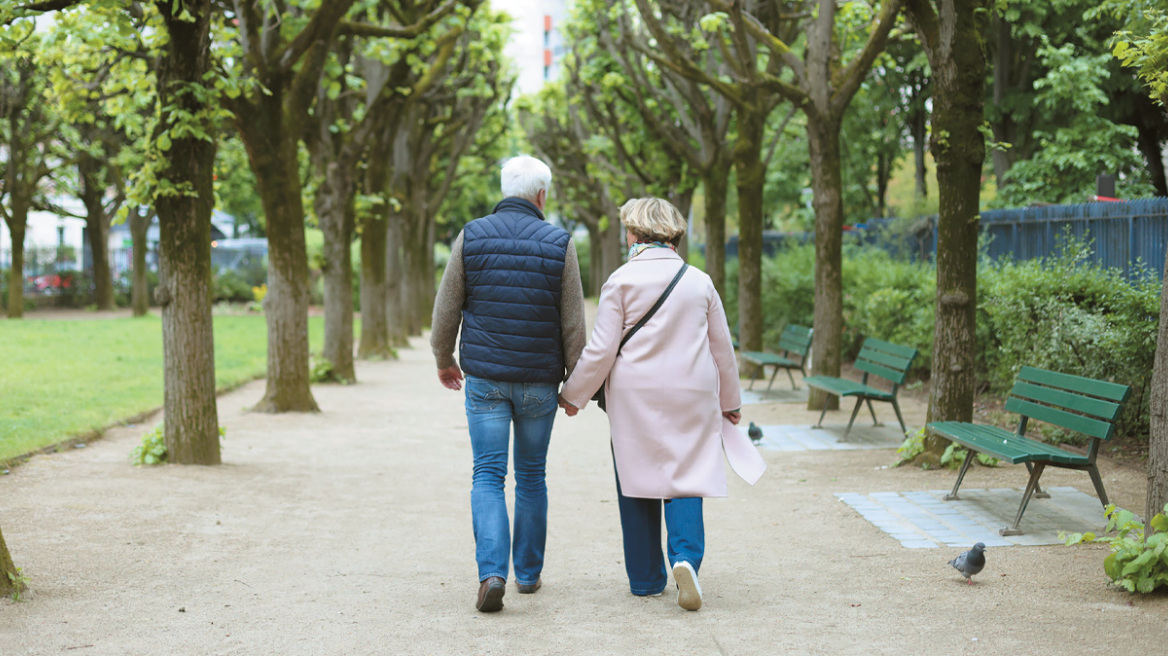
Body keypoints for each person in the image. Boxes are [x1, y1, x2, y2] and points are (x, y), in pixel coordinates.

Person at [558, 197, 760, 612]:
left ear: (634, 233)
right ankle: (685, 559)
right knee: (688, 474)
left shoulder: (620, 281)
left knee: (635, 477)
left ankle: (646, 578)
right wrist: (730, 402)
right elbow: (722, 349)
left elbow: (600, 352)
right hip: (693, 393)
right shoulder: (699, 280)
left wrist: (573, 395)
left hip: (634, 397)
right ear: (673, 233)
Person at [431, 155, 586, 613]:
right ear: (542, 195)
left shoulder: (471, 235)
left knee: (487, 474)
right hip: (539, 381)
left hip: (485, 380)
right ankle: (529, 575)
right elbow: (573, 326)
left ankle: (492, 573)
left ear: (504, 189)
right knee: (532, 476)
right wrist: (575, 386)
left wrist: (444, 358)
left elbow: (446, 309)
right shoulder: (561, 243)